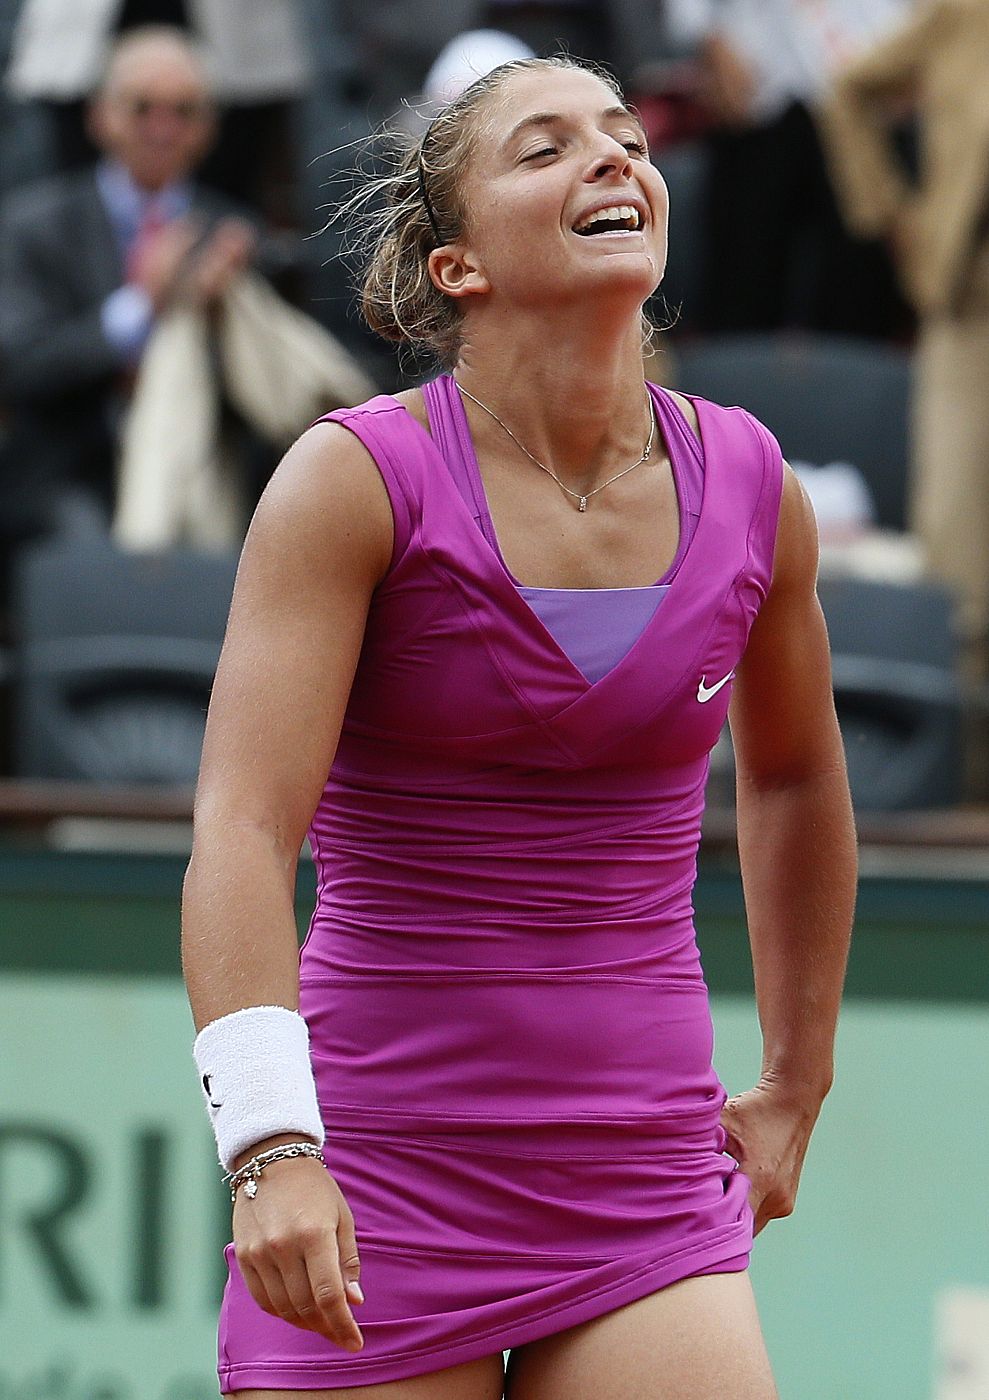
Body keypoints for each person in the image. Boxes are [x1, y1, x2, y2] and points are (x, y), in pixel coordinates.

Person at [181, 54, 857, 1398]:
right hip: (374, 1171)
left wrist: (795, 1080)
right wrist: (269, 1148)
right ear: (457, 268)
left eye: (623, 138)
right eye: (544, 149)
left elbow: (788, 783)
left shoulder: (752, 484)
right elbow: (244, 827)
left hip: (642, 1177)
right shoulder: (351, 479)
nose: (613, 158)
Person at [818, 0, 989, 698]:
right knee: (956, 529)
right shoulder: (964, 14)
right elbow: (849, 91)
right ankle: (963, 737)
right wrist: (893, 213)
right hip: (969, 301)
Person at [662, 0, 915, 337]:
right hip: (755, 86)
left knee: (859, 277)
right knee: (744, 272)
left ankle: (855, 381)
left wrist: (913, 57)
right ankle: (731, 379)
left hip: (866, 86)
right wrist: (711, 41)